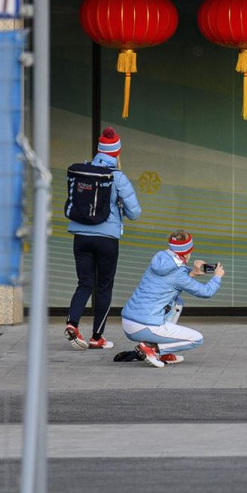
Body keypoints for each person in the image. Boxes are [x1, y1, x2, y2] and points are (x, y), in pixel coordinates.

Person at [64, 127, 141, 351]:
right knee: (104, 287)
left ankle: (72, 322)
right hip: (107, 239)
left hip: (80, 236)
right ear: (117, 153)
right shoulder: (117, 177)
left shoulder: (83, 172)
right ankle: (97, 337)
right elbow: (135, 212)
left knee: (85, 283)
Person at [120, 230, 223, 367]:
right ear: (187, 252)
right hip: (145, 326)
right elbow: (205, 292)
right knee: (197, 339)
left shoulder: (160, 259)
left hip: (128, 323)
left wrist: (191, 273)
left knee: (177, 303)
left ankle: (160, 353)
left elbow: (170, 279)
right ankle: (153, 350)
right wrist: (217, 276)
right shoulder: (179, 274)